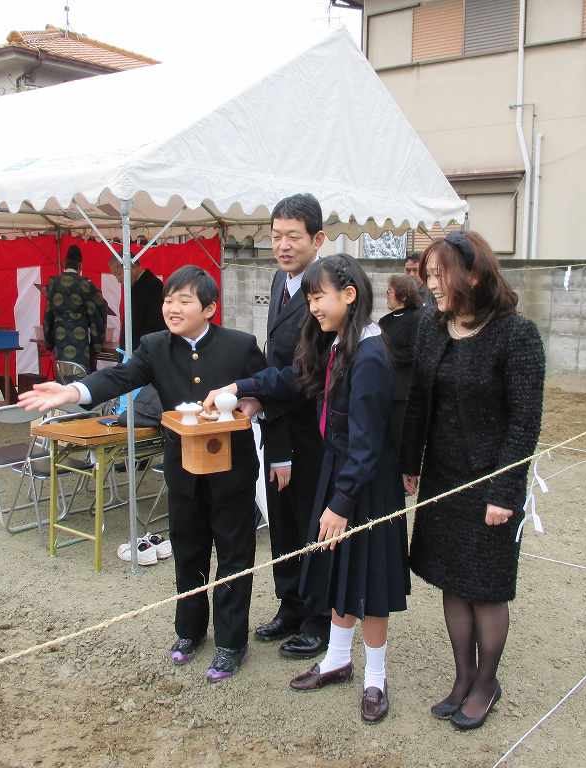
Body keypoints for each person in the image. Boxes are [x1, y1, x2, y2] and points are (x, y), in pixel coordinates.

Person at [20, 266, 265, 684]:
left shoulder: (241, 345)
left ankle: (230, 642)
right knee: (188, 550)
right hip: (183, 470)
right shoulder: (154, 346)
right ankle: (188, 631)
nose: (172, 307)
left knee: (234, 556)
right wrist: (73, 392)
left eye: (184, 300)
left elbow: (262, 386)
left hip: (232, 470)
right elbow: (119, 377)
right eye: (169, 299)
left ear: (209, 308)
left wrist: (253, 403)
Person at [205, 254, 411, 724]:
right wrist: (239, 388)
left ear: (349, 295)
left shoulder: (372, 354)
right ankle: (338, 660)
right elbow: (291, 377)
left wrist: (341, 503)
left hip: (366, 485)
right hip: (339, 473)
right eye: (310, 297)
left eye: (318, 297)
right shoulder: (337, 344)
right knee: (338, 571)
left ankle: (375, 679)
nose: (313, 306)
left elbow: (368, 442)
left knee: (372, 585)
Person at [401, 231, 545, 730]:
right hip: (444, 476)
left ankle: (487, 682)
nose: (432, 285)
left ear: (475, 275)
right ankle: (462, 677)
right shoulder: (431, 327)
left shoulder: (516, 334)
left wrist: (505, 492)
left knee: (485, 587)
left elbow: (525, 422)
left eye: (441, 275)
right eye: (428, 276)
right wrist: (409, 461)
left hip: (490, 482)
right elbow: (420, 399)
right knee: (451, 577)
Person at [253, 193, 330, 660]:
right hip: (278, 422)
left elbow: (307, 373)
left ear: (317, 239)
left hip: (311, 430)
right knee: (281, 520)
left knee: (309, 521)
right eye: (276, 236)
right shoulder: (280, 284)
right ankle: (290, 603)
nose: (282, 245)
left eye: (292, 237)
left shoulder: (321, 289)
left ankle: (318, 616)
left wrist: (251, 389)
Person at [43, 245, 107, 371]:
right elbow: (98, 311)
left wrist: (49, 342)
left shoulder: (53, 283)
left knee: (63, 379)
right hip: (80, 342)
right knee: (80, 379)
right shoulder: (85, 284)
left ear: (64, 263)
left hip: (60, 340)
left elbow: (48, 315)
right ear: (80, 265)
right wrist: (96, 344)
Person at [378, 274, 421, 450]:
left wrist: (387, 355)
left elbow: (415, 352)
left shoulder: (418, 318)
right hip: (384, 389)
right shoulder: (385, 321)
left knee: (401, 441)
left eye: (390, 291)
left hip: (404, 391)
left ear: (403, 296)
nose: (387, 295)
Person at [109, 249, 167, 352]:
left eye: (118, 274)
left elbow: (155, 327)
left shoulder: (153, 286)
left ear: (132, 267)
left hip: (145, 354)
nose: (118, 280)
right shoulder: (137, 286)